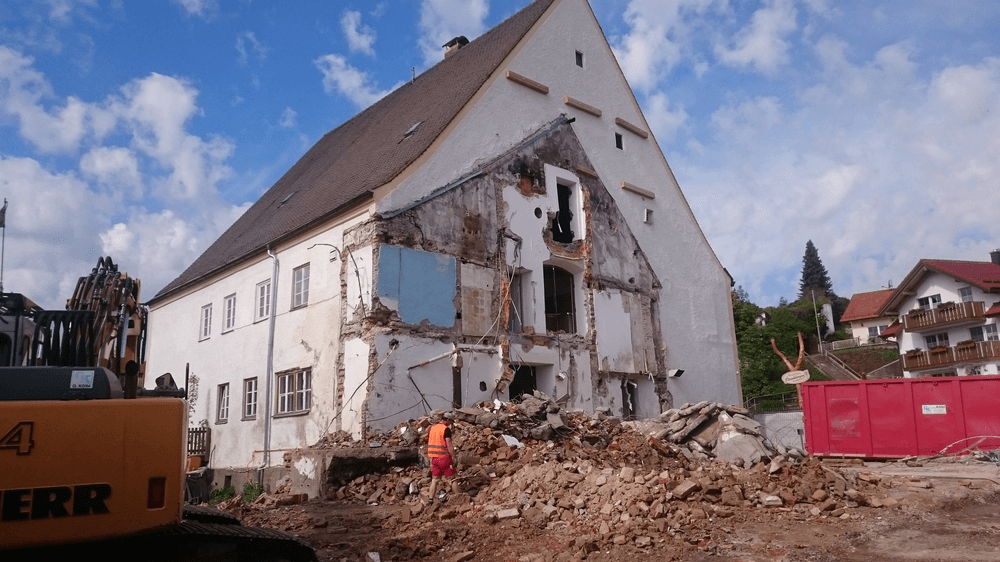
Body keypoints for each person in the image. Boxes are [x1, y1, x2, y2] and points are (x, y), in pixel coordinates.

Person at [426, 412, 457, 505]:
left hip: (434, 458)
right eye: (450, 421)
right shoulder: (446, 429)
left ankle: (430, 500)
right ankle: (460, 497)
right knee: (452, 478)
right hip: (444, 458)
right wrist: (453, 456)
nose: (450, 424)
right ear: (447, 420)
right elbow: (449, 444)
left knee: (435, 480)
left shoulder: (433, 428)